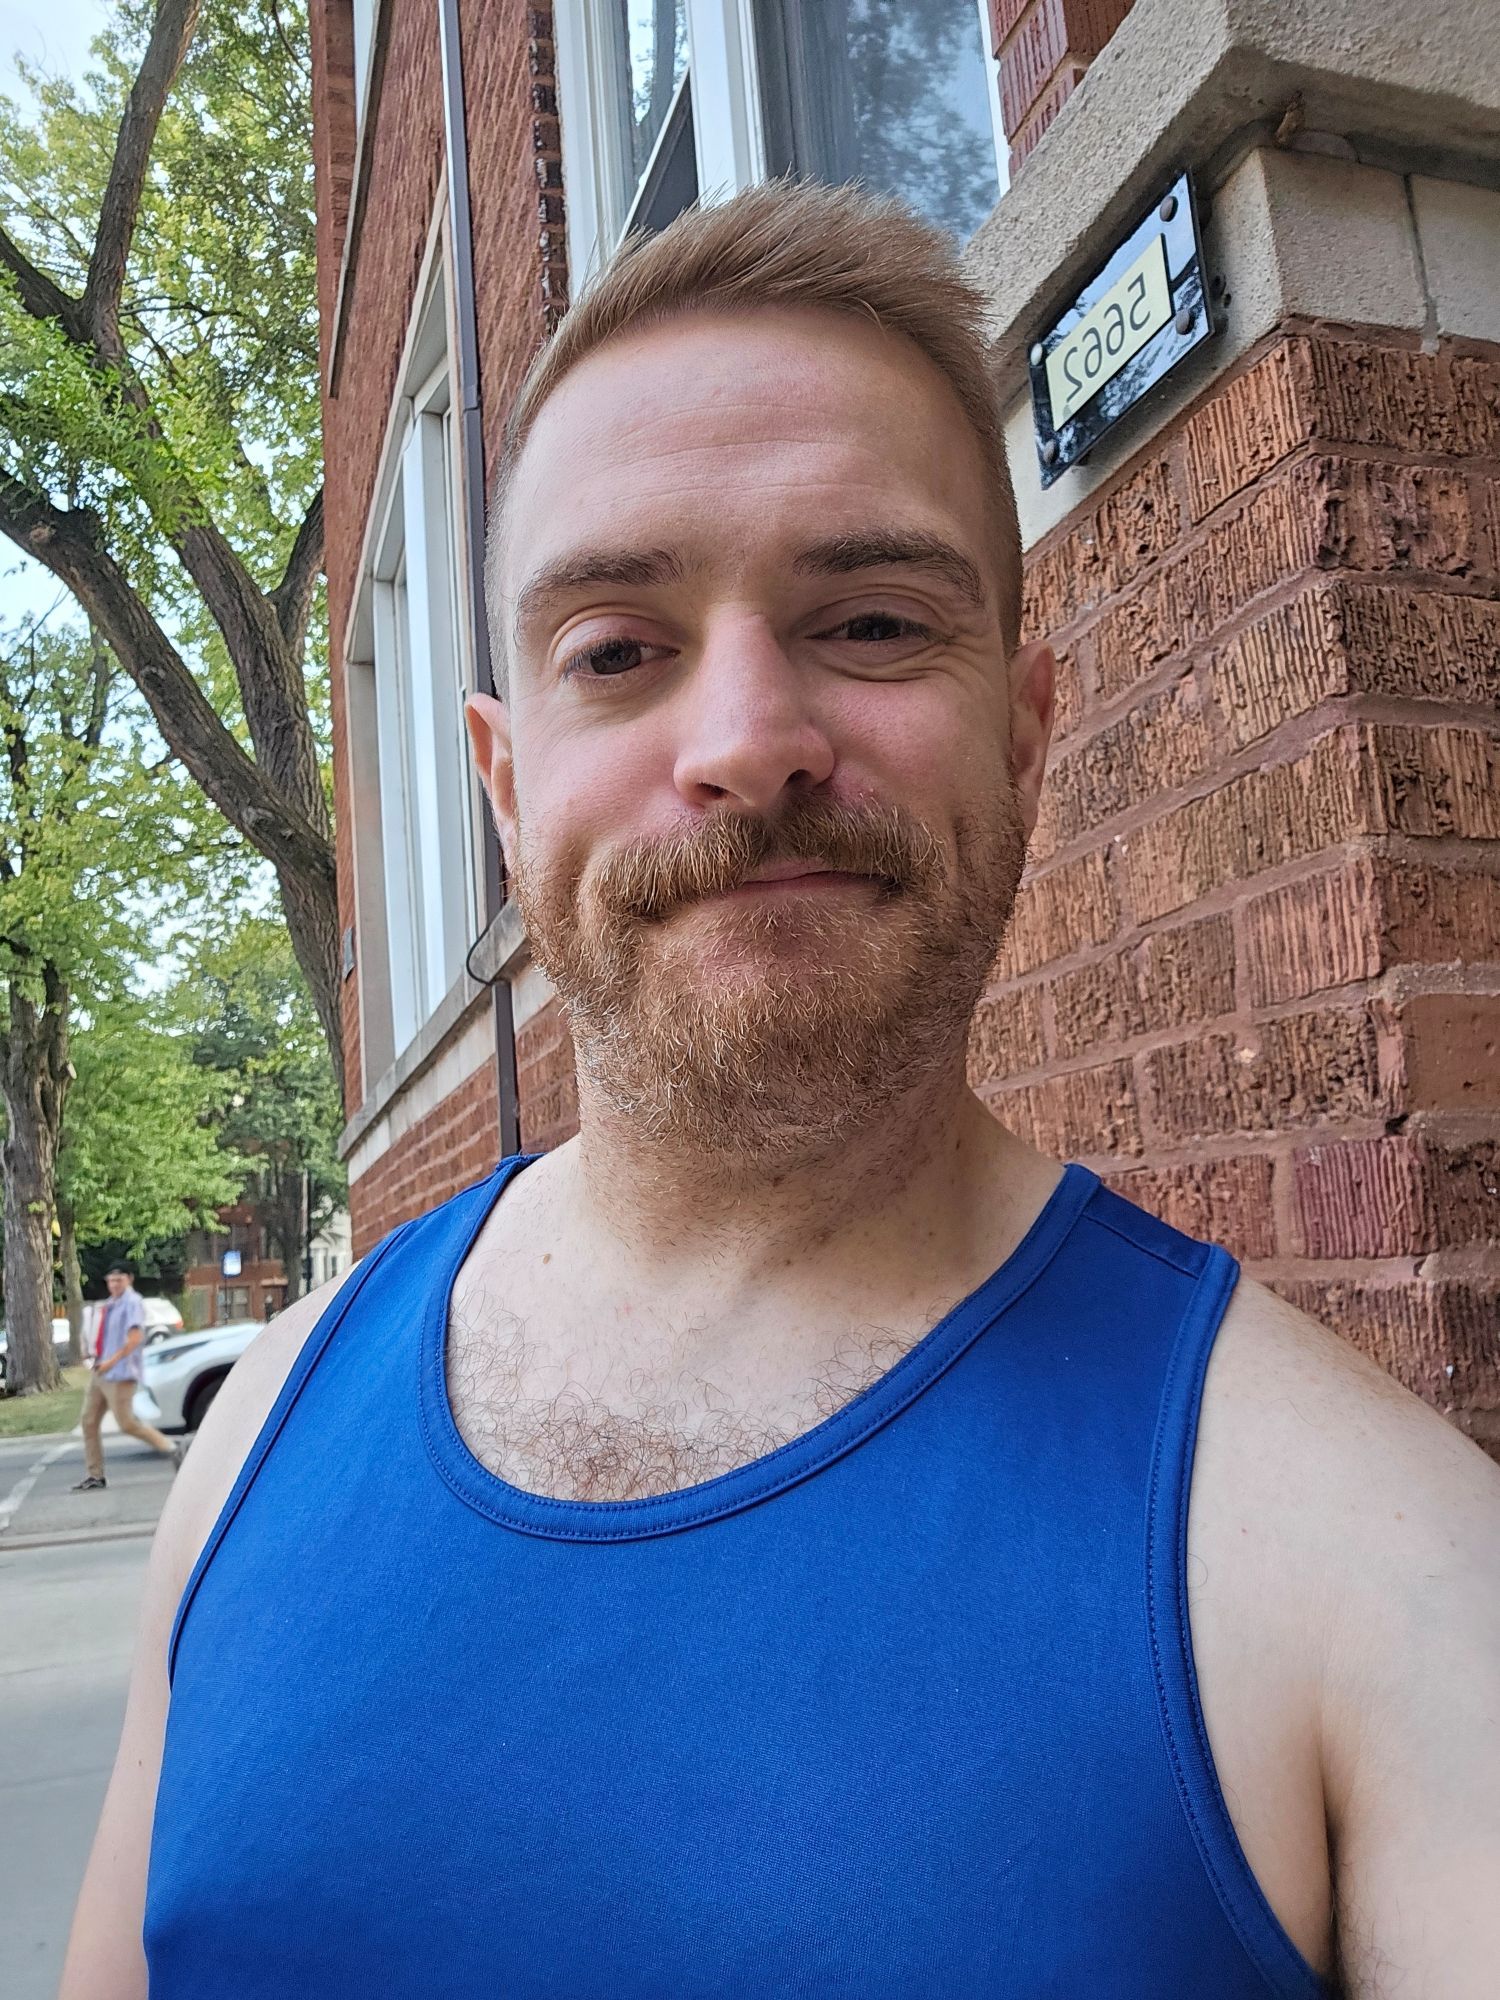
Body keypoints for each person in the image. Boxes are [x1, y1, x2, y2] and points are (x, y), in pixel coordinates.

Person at [63, 183, 1498, 2000]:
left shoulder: (1387, 1577)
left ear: (1025, 732)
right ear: (508, 794)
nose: (746, 740)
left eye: (876, 623)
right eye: (617, 651)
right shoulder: (261, 1438)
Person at [71, 1263, 181, 1491]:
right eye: (111, 1280)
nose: (114, 1284)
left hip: (121, 1373)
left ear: (129, 1279)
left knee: (127, 1423)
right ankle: (95, 1475)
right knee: (88, 1421)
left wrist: (110, 1362)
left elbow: (134, 1339)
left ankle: (171, 1447)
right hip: (100, 1373)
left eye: (119, 1280)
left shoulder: (133, 1303)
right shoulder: (109, 1305)